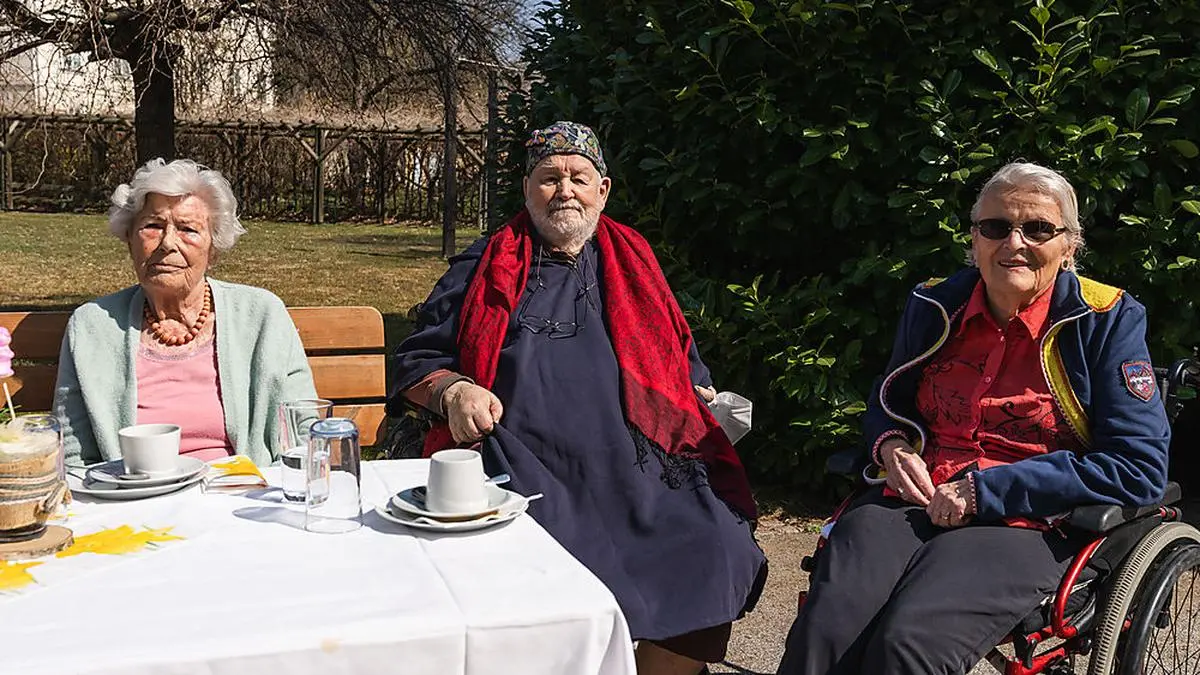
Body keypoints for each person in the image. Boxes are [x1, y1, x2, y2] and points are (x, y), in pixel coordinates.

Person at [392, 121, 766, 675]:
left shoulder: (633, 258)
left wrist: (694, 390)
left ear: (602, 190)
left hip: (640, 466)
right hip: (527, 465)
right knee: (542, 565)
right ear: (527, 190)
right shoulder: (485, 264)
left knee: (716, 544)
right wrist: (455, 390)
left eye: (579, 178)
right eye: (549, 178)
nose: (564, 190)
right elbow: (415, 361)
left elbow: (675, 349)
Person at [776, 162, 1171, 675]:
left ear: (1069, 246)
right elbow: (887, 400)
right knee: (825, 633)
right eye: (996, 226)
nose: (1014, 243)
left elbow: (1138, 468)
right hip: (909, 501)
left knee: (909, 645)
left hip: (1027, 520)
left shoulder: (1106, 318)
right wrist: (891, 445)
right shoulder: (935, 303)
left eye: (1038, 229)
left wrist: (983, 491)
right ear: (974, 239)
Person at [55, 158, 317, 466]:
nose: (167, 243)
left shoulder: (262, 315)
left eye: (188, 229)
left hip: (239, 489)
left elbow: (303, 433)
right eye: (153, 226)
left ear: (213, 249)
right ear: (129, 239)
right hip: (135, 492)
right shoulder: (91, 327)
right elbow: (72, 456)